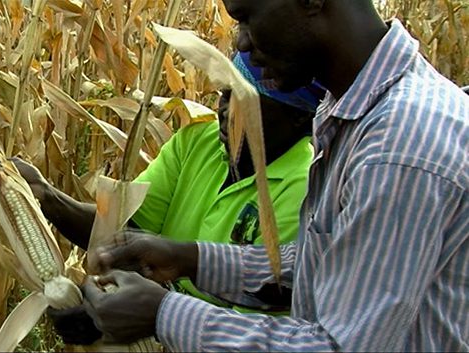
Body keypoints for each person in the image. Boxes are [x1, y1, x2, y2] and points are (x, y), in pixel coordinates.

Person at [79, 0, 469, 352]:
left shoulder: (398, 145)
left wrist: (164, 315)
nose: (243, 44)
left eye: (247, 17)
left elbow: (339, 347)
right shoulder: (358, 113)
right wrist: (190, 259)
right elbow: (337, 264)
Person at [0, 52, 326, 342]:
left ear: (300, 120)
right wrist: (44, 196)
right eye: (224, 93)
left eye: (245, 102)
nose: (224, 109)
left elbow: (247, 332)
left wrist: (148, 317)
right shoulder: (198, 142)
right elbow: (121, 233)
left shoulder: (303, 192)